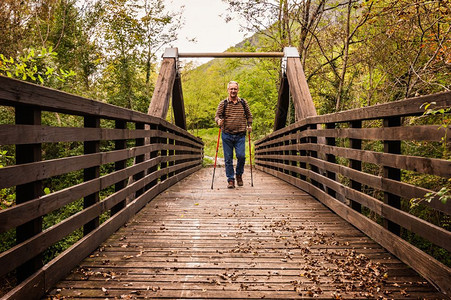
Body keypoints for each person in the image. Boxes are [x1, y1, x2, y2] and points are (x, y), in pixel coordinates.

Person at [215, 81, 253, 188]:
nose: (233, 91)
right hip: (227, 134)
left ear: (238, 90)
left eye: (235, 89)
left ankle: (239, 175)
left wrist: (249, 125)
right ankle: (230, 180)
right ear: (228, 90)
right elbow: (217, 116)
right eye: (231, 89)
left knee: (241, 157)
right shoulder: (223, 103)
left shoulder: (243, 103)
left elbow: (249, 116)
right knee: (228, 158)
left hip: (240, 134)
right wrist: (218, 121)